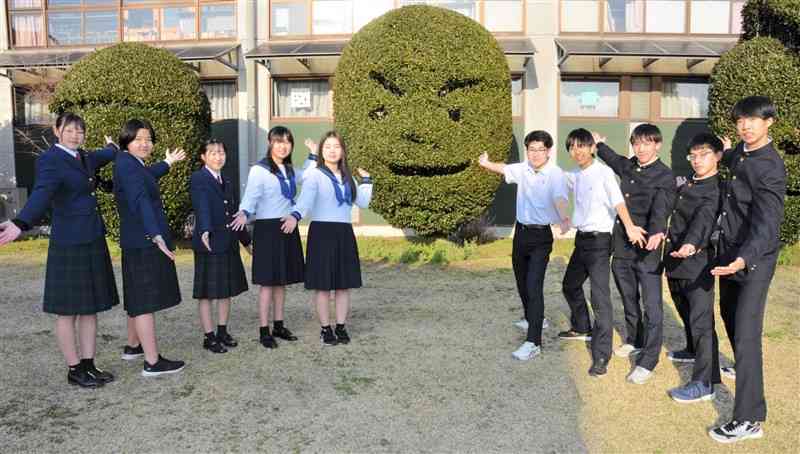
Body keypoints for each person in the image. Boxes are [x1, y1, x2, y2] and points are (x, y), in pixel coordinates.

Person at [0, 112, 119, 388]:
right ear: (57, 131)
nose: (76, 135)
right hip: (68, 244)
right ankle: (74, 369)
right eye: (70, 130)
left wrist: (113, 148)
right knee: (68, 311)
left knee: (91, 308)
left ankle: (90, 365)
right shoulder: (50, 160)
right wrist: (21, 222)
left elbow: (104, 155)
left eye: (80, 131)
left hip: (92, 239)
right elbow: (42, 193)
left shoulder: (86, 157)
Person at [708, 96, 786, 443]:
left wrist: (744, 259)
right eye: (741, 120)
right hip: (729, 253)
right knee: (728, 313)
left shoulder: (771, 166)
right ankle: (743, 365)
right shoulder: (740, 153)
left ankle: (750, 419)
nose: (746, 126)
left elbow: (768, 223)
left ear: (769, 122)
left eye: (753, 120)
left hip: (754, 259)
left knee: (746, 333)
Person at [558, 128, 646, 377]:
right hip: (581, 239)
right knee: (570, 285)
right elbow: (559, 190)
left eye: (582, 146)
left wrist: (629, 227)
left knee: (600, 298)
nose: (577, 151)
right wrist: (564, 215)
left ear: (591, 147)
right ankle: (582, 326)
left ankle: (601, 355)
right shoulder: (574, 174)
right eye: (572, 147)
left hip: (600, 241)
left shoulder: (603, 172)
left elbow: (618, 202)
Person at [593, 125, 676, 384]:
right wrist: (598, 145)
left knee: (651, 305)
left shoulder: (665, 175)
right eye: (637, 143)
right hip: (623, 245)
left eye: (646, 143)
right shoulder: (629, 166)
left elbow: (662, 208)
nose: (641, 148)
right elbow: (614, 158)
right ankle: (634, 339)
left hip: (648, 247)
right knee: (628, 296)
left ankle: (648, 360)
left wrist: (657, 232)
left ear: (657, 145)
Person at [478, 130, 570, 360]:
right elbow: (505, 168)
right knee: (521, 280)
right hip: (521, 233)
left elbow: (560, 198)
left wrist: (564, 218)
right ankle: (533, 317)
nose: (535, 154)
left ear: (548, 151)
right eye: (531, 149)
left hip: (540, 237)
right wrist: (486, 163)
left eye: (540, 149)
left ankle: (533, 342)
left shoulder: (555, 174)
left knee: (533, 286)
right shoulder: (524, 168)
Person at [230, 126, 316, 349]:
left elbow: (306, 175)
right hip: (268, 229)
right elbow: (251, 196)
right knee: (267, 283)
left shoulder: (287, 169)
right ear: (270, 143)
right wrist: (244, 212)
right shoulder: (260, 169)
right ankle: (263, 330)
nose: (283, 145)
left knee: (282, 282)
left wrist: (313, 155)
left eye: (287, 142)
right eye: (279, 141)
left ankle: (278, 325)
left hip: (287, 227)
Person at [284, 131, 372, 346]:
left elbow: (362, 202)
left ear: (342, 151)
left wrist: (367, 180)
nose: (332, 151)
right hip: (321, 233)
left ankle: (341, 327)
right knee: (323, 286)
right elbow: (305, 200)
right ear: (322, 152)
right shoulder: (315, 175)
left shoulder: (348, 177)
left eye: (336, 147)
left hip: (343, 233)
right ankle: (325, 329)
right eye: (328, 147)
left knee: (343, 285)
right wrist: (295, 216)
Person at [113, 119, 187, 377]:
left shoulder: (131, 163)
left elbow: (148, 175)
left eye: (148, 139)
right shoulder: (126, 163)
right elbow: (140, 199)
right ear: (127, 141)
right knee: (144, 300)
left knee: (136, 296)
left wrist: (168, 163)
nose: (145, 144)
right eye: (139, 139)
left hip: (135, 240)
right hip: (143, 241)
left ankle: (133, 346)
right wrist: (155, 235)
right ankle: (152, 362)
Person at [663, 133, 723, 403]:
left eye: (705, 154)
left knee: (702, 323)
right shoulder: (687, 182)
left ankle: (704, 382)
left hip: (698, 264)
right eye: (694, 155)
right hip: (675, 259)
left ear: (718, 157)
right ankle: (690, 349)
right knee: (683, 309)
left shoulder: (714, 188)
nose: (698, 160)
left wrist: (691, 244)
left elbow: (705, 219)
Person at [190, 139, 252, 354]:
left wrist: (246, 241)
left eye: (221, 152)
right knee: (207, 293)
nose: (218, 157)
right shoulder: (199, 178)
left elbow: (235, 214)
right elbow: (202, 206)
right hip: (209, 244)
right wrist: (205, 229)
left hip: (227, 242)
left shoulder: (226, 179)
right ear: (203, 157)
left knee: (225, 291)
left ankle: (222, 331)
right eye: (213, 153)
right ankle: (209, 337)